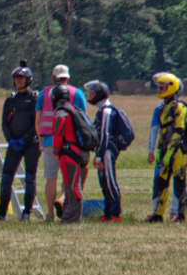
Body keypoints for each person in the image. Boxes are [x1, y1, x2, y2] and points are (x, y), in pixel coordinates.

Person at [36, 64, 86, 221]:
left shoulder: (43, 94)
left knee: (51, 177)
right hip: (70, 142)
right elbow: (83, 119)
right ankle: (64, 201)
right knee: (69, 177)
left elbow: (37, 120)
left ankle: (50, 214)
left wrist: (40, 140)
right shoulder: (77, 93)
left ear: (53, 78)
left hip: (49, 140)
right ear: (68, 78)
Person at [147, 72, 187, 223]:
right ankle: (158, 214)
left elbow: (179, 130)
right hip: (165, 152)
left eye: (161, 88)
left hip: (178, 151)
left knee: (180, 183)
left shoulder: (180, 107)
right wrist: (159, 151)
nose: (159, 90)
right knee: (162, 183)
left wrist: (170, 152)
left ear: (171, 88)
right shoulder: (163, 108)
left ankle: (180, 215)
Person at [0, 61, 40, 221]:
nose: (18, 81)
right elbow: (4, 124)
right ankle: (2, 213)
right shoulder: (10, 101)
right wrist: (11, 140)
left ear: (28, 80)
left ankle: (26, 213)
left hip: (31, 144)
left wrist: (25, 139)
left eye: (21, 78)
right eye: (16, 78)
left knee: (30, 178)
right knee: (7, 177)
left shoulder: (35, 99)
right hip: (14, 144)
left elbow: (37, 124)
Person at [84, 80, 133, 222]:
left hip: (107, 151)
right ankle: (107, 212)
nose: (89, 95)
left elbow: (105, 135)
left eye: (92, 93)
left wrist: (99, 155)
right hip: (103, 151)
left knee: (110, 181)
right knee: (103, 182)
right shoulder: (102, 110)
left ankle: (115, 213)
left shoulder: (106, 111)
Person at [49, 83, 90, 223]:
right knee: (75, 187)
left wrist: (55, 151)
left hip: (69, 154)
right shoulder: (75, 110)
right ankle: (72, 216)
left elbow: (57, 137)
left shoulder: (60, 113)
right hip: (82, 153)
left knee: (72, 188)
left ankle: (71, 218)